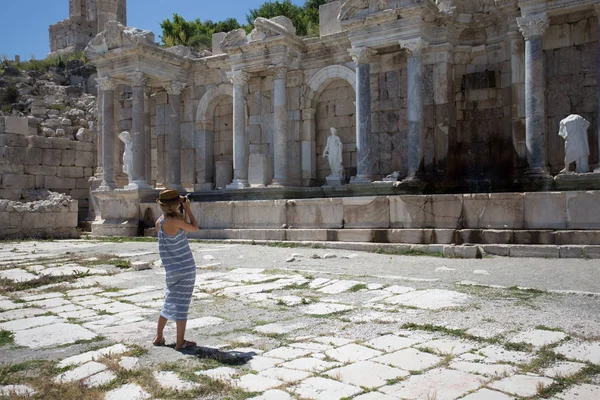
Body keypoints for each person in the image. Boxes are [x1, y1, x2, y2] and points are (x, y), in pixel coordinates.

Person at [153, 189, 199, 350]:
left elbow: (182, 231)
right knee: (181, 305)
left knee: (169, 300)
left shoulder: (160, 222)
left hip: (171, 269)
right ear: (175, 205)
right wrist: (188, 209)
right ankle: (180, 342)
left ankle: (159, 336)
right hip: (185, 268)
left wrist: (181, 212)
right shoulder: (176, 221)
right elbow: (194, 228)